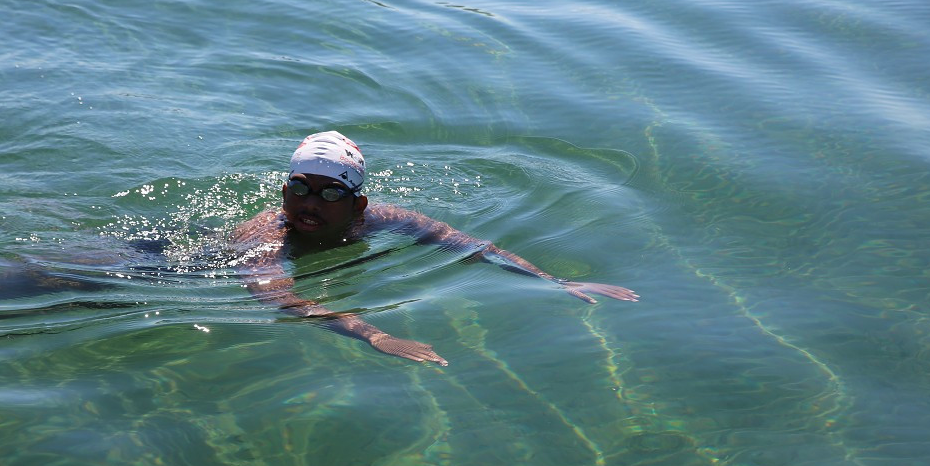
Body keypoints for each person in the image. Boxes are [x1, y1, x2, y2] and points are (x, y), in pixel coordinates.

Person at [233, 131, 638, 366]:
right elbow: (282, 298)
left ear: (358, 204)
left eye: (331, 193)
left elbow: (473, 248)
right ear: (285, 191)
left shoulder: (386, 219)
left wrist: (555, 281)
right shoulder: (265, 238)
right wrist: (374, 336)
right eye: (300, 188)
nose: (310, 203)